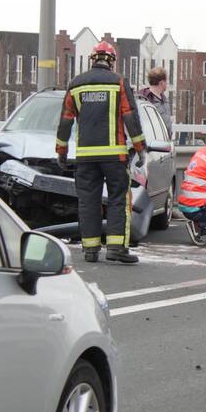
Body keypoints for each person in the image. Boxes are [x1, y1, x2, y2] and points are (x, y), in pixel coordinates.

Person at [56, 41, 147, 264]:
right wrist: (140, 147)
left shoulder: (75, 85)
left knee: (88, 201)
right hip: (115, 155)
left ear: (92, 59)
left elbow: (65, 121)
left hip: (86, 157)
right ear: (111, 61)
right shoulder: (118, 82)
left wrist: (61, 151)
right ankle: (116, 248)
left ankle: (90, 250)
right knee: (117, 199)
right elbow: (130, 116)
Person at [139, 66, 172, 134]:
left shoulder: (165, 99)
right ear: (162, 83)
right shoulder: (143, 99)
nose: (167, 83)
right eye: (166, 81)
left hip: (165, 141)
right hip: (151, 142)